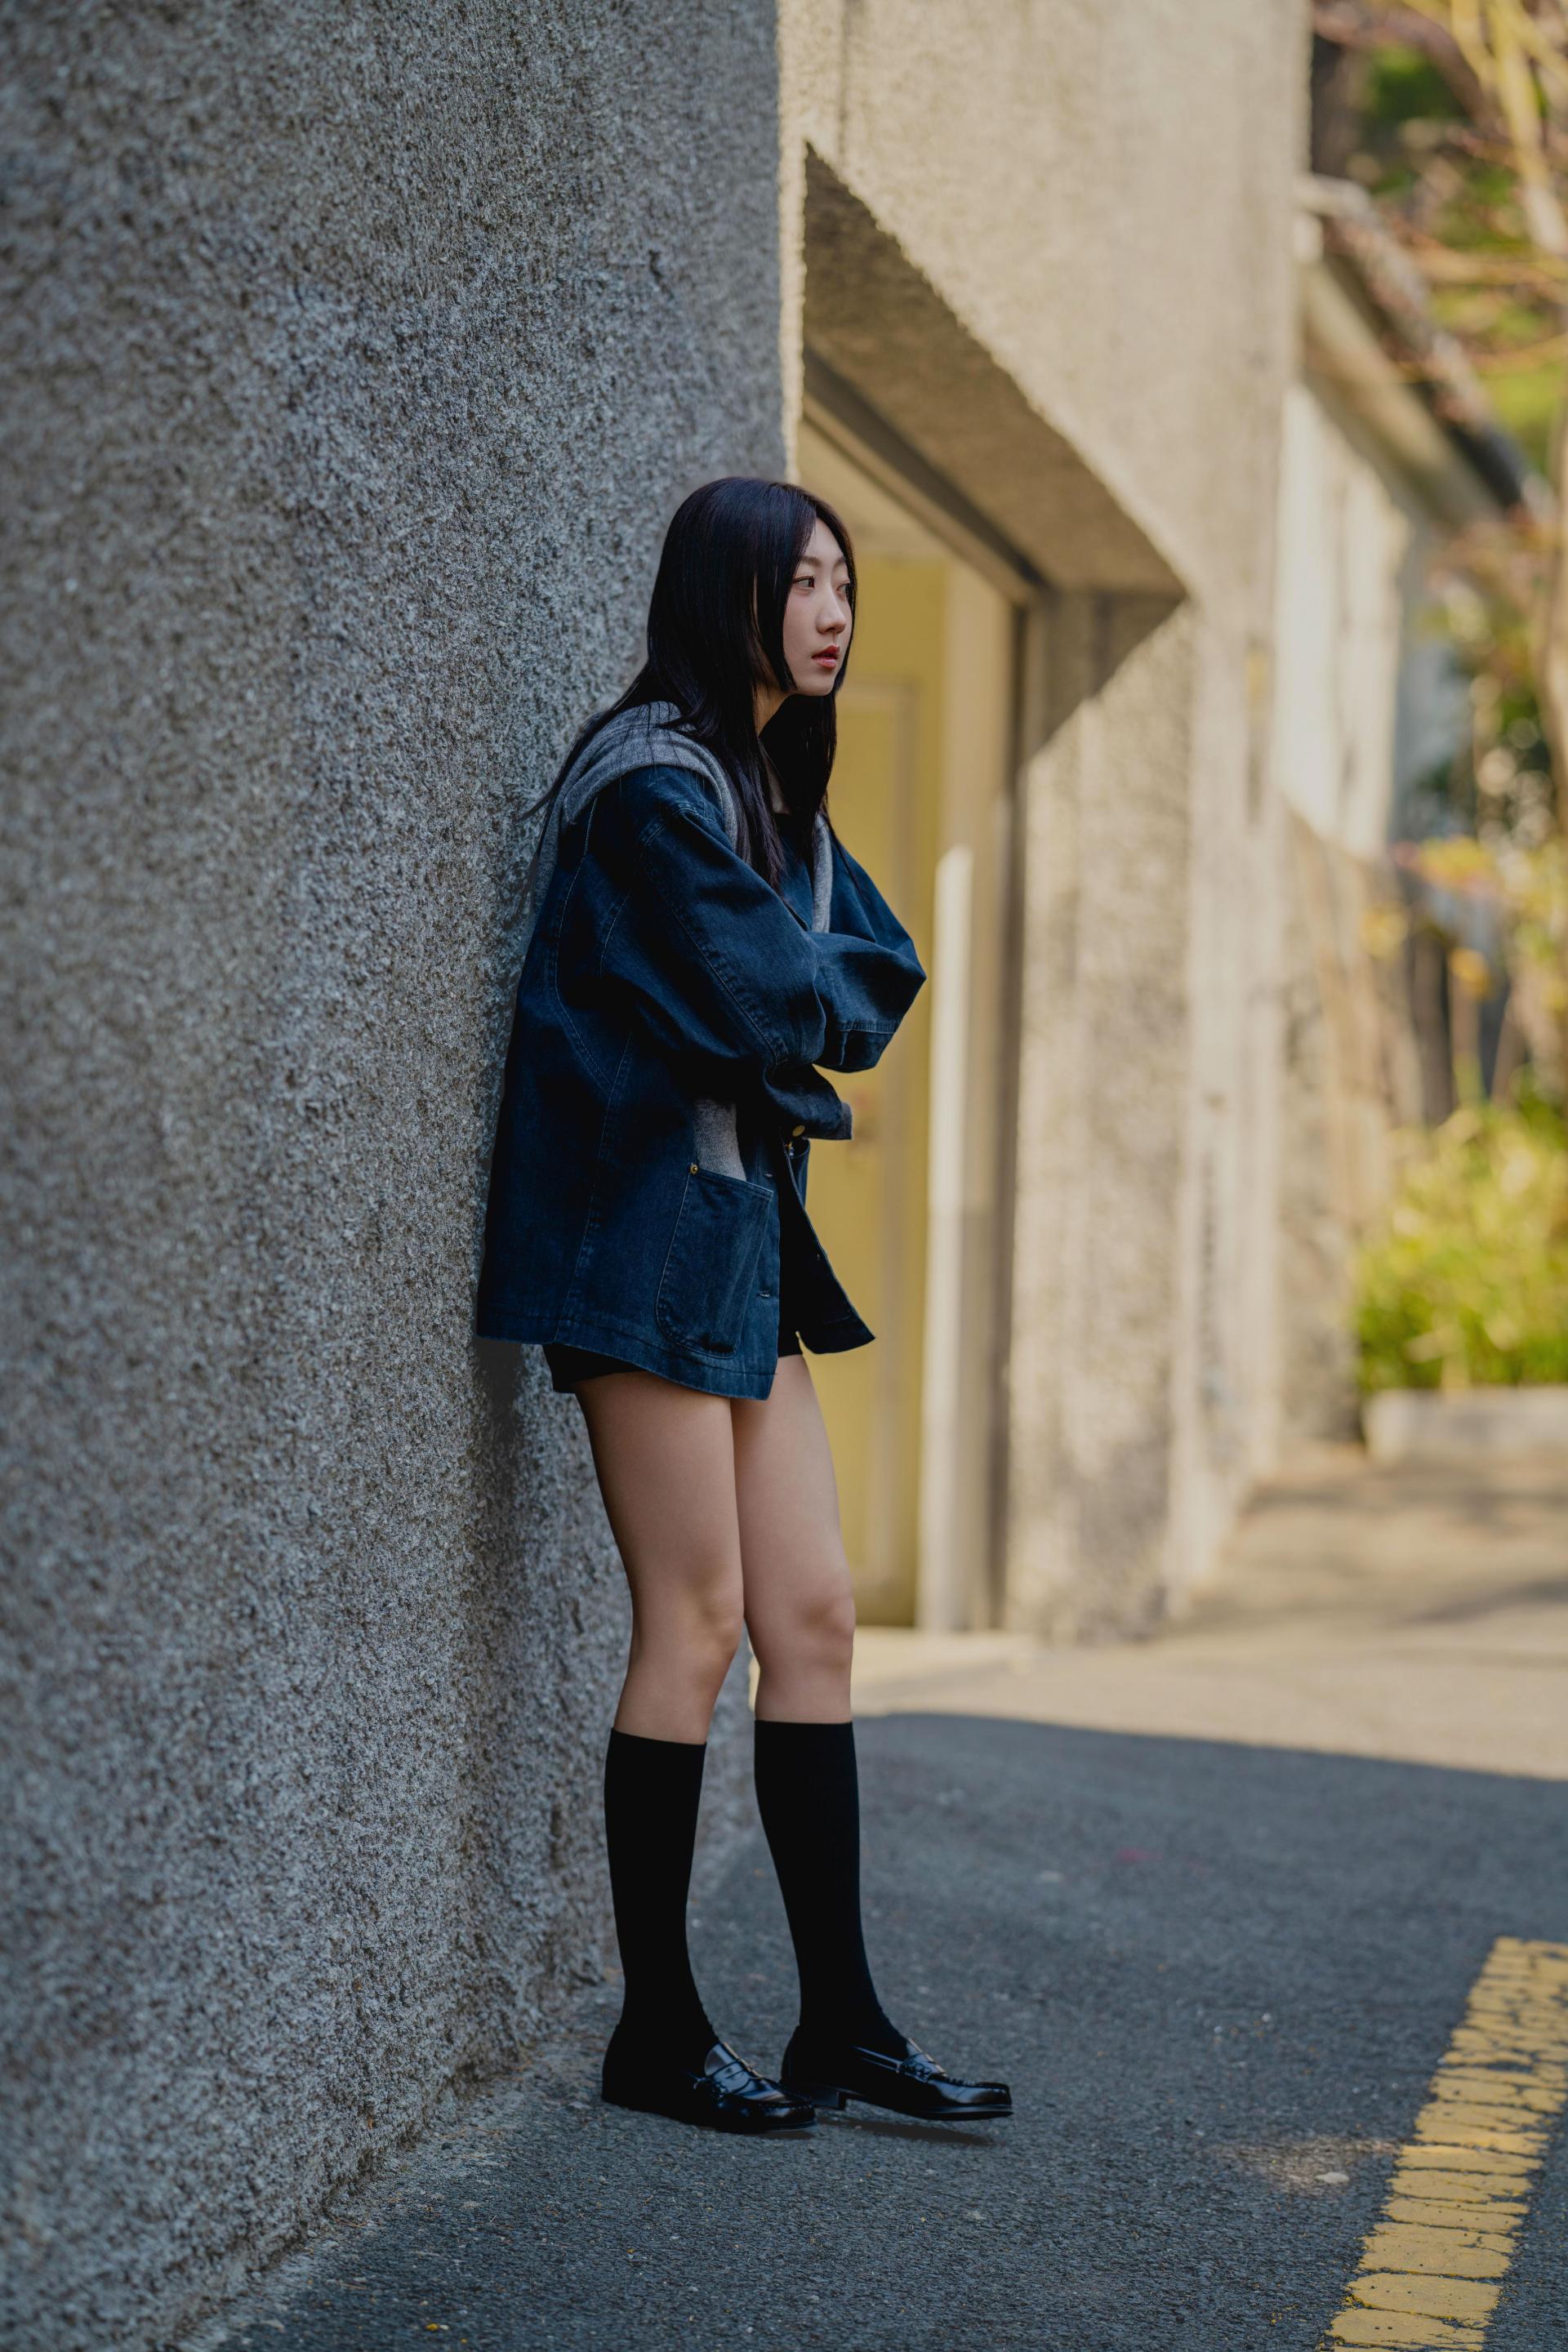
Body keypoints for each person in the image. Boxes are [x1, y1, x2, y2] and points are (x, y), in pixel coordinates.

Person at [477, 475, 1012, 2136]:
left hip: (733, 1237)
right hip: (636, 1240)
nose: (834, 612)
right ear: (730, 596)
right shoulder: (652, 784)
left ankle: (840, 2022)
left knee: (817, 1617)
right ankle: (658, 2031)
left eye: (845, 581)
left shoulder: (773, 796)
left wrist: (794, 1004)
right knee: (697, 1624)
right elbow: (784, 995)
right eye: (803, 584)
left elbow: (878, 975)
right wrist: (794, 1003)